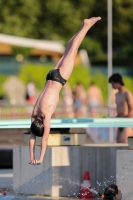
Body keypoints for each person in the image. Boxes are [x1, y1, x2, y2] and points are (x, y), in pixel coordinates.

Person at [29, 17, 102, 165]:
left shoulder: (45, 115)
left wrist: (41, 158)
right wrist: (31, 155)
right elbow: (32, 137)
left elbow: (44, 139)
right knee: (68, 50)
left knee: (74, 49)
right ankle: (83, 26)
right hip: (50, 76)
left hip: (59, 79)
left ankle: (86, 26)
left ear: (42, 125)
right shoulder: (35, 113)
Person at [109, 73, 133, 143]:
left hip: (127, 122)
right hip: (120, 122)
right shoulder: (116, 94)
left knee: (123, 142)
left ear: (118, 82)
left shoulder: (127, 94)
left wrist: (124, 117)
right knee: (118, 143)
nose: (112, 86)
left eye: (113, 83)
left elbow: (132, 111)